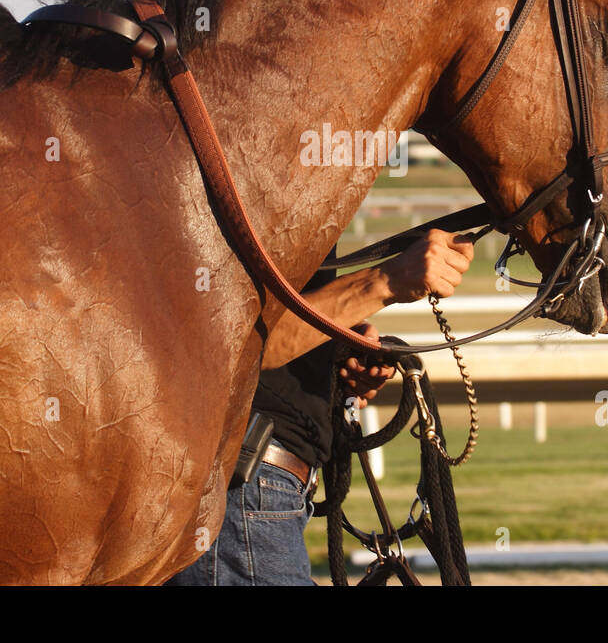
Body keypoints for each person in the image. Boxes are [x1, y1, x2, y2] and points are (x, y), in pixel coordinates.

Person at [166, 229, 476, 585]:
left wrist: (331, 352)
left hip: (251, 492)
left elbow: (261, 326)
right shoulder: (242, 194)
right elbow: (234, 342)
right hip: (242, 491)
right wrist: (385, 280)